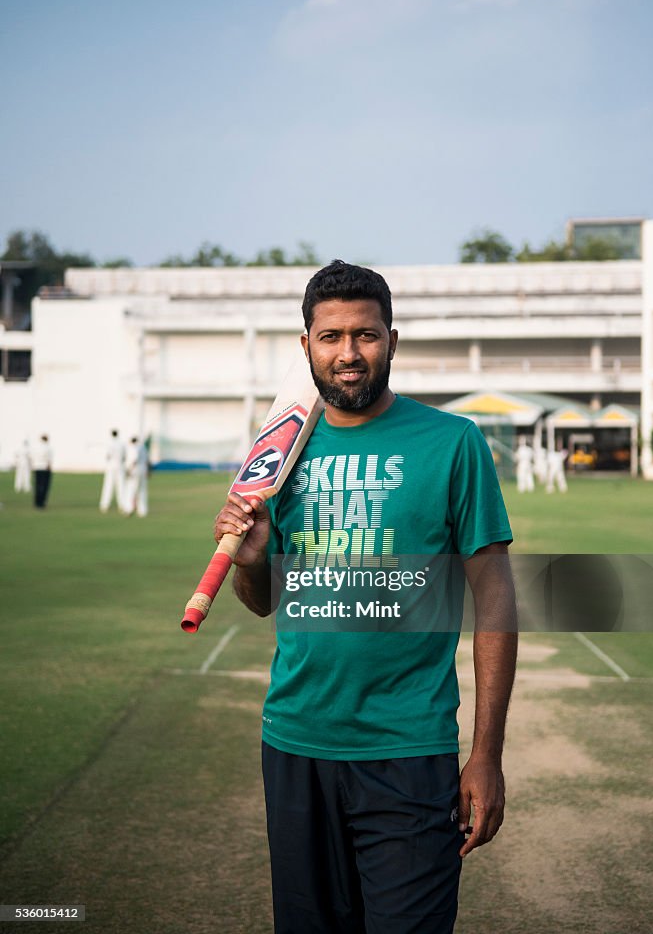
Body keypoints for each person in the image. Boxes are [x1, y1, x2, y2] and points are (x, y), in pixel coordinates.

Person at [214, 260, 517, 934]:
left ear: (391, 340)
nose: (348, 354)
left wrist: (487, 754)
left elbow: (494, 599)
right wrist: (255, 558)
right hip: (295, 741)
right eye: (330, 337)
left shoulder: (451, 442)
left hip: (407, 750)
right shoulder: (279, 451)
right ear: (306, 347)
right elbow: (260, 600)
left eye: (365, 335)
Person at [99, 429, 126, 513]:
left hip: (111, 466)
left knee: (108, 485)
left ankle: (105, 505)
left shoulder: (109, 443)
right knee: (121, 486)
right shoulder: (122, 444)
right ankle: (122, 505)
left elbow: (108, 456)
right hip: (120, 466)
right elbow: (124, 457)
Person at [124, 436, 149, 517]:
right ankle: (142, 511)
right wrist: (148, 471)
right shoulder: (143, 447)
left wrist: (129, 470)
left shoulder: (134, 448)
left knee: (131, 489)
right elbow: (147, 460)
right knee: (142, 490)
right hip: (143, 470)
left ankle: (129, 508)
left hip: (135, 471)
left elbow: (134, 459)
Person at [33, 434, 52, 508]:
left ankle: (36, 502)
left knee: (37, 485)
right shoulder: (48, 448)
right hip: (45, 468)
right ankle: (42, 502)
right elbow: (49, 459)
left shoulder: (36, 447)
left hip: (37, 467)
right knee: (44, 486)